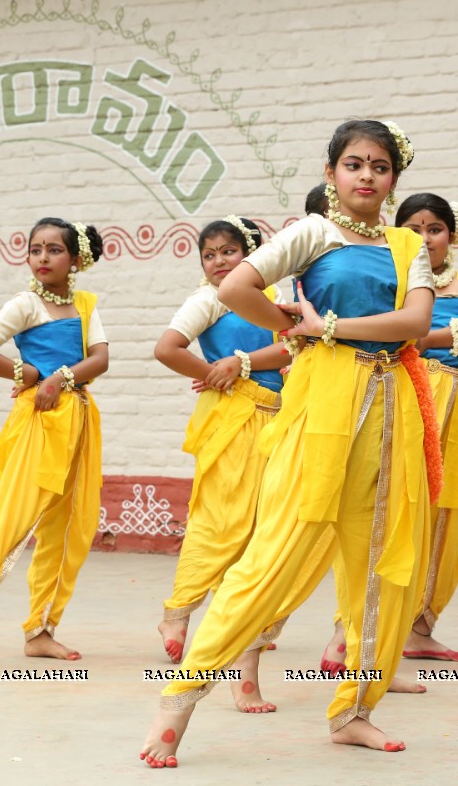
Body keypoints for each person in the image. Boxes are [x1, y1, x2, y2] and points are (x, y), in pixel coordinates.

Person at [140, 119, 442, 767]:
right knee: (274, 552)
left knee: (383, 561)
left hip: (392, 407)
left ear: (394, 178)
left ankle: (356, 710)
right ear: (333, 172)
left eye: (380, 167)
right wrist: (291, 328)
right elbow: (232, 287)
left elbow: (415, 322)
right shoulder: (312, 233)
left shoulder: (405, 245)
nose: (367, 176)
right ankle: (179, 701)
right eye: (355, 164)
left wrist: (327, 325)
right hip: (324, 401)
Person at [319, 193, 458, 669]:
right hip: (407, 395)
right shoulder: (394, 277)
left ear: (451, 235)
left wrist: (432, 336)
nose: (425, 238)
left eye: (435, 228)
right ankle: (350, 628)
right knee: (389, 510)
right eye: (414, 229)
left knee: (449, 518)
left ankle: (419, 628)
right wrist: (441, 335)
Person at [0, 218, 107, 668]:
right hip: (41, 423)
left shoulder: (86, 305)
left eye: (54, 250)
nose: (43, 258)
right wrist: (27, 374)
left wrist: (59, 377)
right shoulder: (25, 305)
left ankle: (41, 629)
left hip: (80, 421)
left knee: (71, 527)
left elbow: (100, 359)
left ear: (75, 260)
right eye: (35, 250)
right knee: (11, 522)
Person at [153, 216, 285, 712]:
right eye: (209, 255)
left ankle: (245, 662)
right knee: (222, 524)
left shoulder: (273, 299)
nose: (217, 262)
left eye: (229, 251)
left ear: (253, 256)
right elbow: (167, 348)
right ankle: (179, 613)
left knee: (267, 537)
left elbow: (294, 345)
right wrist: (217, 371)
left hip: (281, 420)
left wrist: (244, 362)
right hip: (233, 420)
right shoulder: (207, 300)